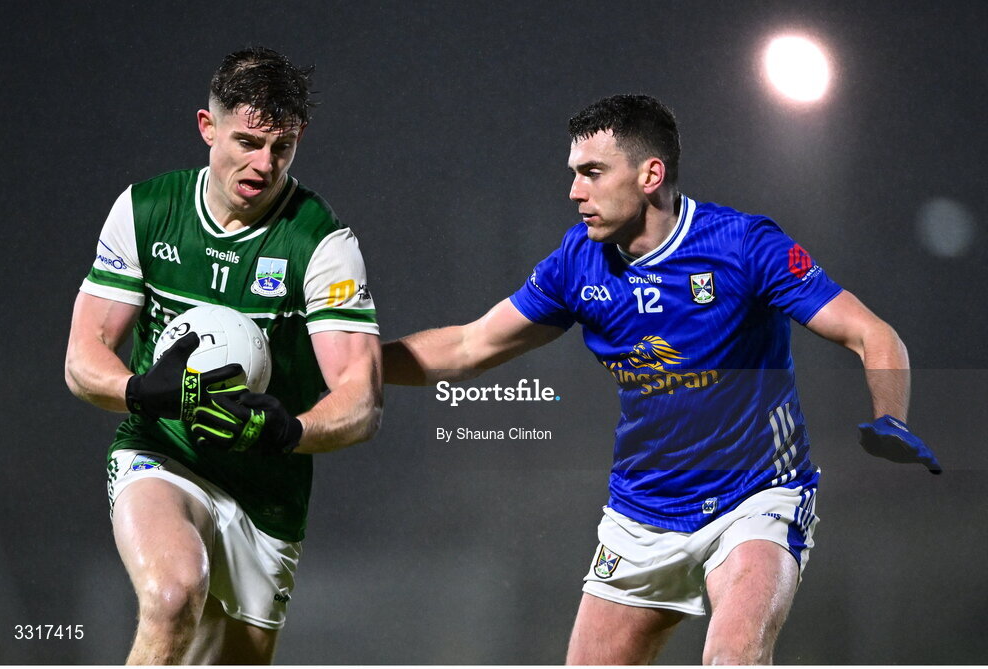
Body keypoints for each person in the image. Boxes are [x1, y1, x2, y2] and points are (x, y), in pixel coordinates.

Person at [382, 94, 940, 665]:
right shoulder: (577, 262)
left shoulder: (743, 245)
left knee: (733, 655)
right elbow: (470, 345)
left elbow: (873, 334)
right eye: (574, 175)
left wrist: (891, 415)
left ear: (651, 174)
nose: (575, 191)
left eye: (592, 173)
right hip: (643, 512)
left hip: (757, 496)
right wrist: (357, 371)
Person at [64, 47, 382, 664]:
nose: (263, 164)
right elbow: (83, 357)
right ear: (208, 128)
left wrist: (286, 429)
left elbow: (361, 401)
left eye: (281, 148)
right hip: (163, 454)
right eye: (247, 141)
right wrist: (138, 392)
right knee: (172, 591)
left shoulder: (322, 242)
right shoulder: (147, 211)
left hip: (267, 491)